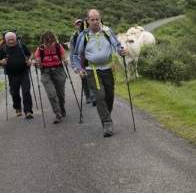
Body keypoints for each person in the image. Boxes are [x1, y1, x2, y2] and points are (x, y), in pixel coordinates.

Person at [72, 9, 127, 137]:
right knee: (100, 96)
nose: (95, 22)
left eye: (97, 19)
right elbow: (76, 55)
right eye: (92, 20)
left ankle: (105, 114)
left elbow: (117, 45)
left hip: (108, 68)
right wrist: (80, 69)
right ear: (88, 21)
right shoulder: (83, 36)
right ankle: (107, 123)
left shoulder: (107, 32)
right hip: (92, 71)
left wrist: (121, 51)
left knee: (109, 95)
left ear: (100, 19)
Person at [0, 31, 34, 119]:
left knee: (26, 92)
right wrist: (1, 62)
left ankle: (28, 111)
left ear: (16, 39)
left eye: (12, 39)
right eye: (9, 40)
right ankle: (17, 108)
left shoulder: (21, 45)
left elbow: (30, 54)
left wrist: (29, 61)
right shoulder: (3, 48)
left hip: (24, 72)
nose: (11, 42)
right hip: (12, 75)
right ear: (5, 40)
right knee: (14, 93)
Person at [35, 31, 68, 123]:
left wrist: (65, 61)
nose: (48, 44)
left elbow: (64, 58)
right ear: (43, 42)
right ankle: (57, 113)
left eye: (50, 42)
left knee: (60, 94)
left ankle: (61, 106)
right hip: (46, 73)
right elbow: (38, 64)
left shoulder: (58, 46)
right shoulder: (40, 49)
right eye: (46, 42)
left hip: (58, 71)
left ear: (53, 40)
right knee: (51, 94)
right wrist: (35, 64)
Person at [69, 18, 95, 105]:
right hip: (80, 59)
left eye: (81, 24)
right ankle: (87, 95)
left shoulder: (90, 34)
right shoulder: (74, 37)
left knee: (92, 76)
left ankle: (93, 96)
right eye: (78, 24)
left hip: (90, 57)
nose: (79, 25)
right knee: (84, 77)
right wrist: (74, 65)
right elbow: (72, 52)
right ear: (75, 26)